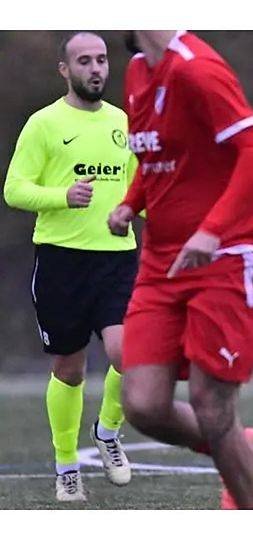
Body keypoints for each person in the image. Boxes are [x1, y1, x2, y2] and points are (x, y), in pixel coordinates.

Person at [107, 30, 253, 510]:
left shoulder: (197, 68)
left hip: (228, 256)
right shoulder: (138, 70)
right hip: (163, 262)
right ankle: (236, 445)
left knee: (210, 402)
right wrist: (130, 203)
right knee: (142, 403)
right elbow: (155, 156)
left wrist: (211, 231)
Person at [3, 31, 136, 502]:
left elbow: (142, 190)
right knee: (70, 371)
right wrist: (62, 196)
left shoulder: (124, 122)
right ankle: (66, 467)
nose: (96, 68)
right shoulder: (43, 124)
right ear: (65, 69)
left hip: (118, 259)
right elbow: (14, 189)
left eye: (101, 59)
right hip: (61, 261)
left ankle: (108, 432)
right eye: (84, 61)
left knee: (131, 354)